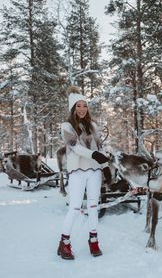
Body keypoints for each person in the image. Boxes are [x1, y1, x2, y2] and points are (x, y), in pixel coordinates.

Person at [57, 85, 112, 260]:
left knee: (93, 207)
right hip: (77, 170)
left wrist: (105, 168)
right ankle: (64, 243)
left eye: (84, 105)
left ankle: (93, 240)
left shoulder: (93, 126)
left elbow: (99, 149)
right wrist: (94, 154)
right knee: (74, 207)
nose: (82, 109)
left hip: (94, 171)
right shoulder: (66, 126)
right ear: (73, 108)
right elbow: (75, 147)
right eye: (78, 106)